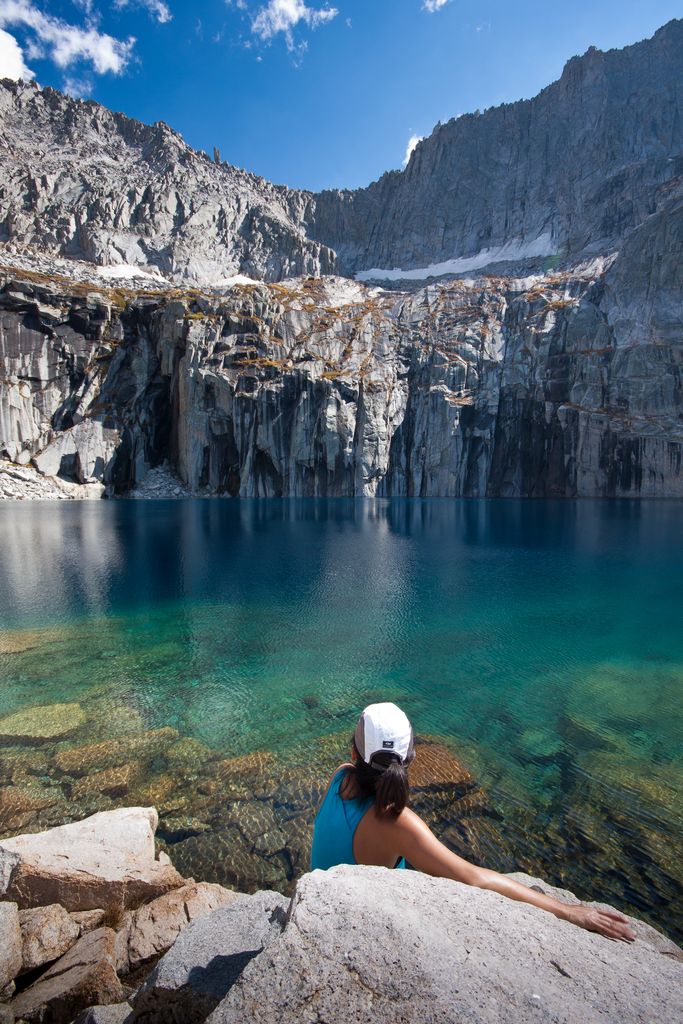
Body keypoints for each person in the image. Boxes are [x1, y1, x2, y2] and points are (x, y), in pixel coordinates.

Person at [310, 702, 635, 941]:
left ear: (353, 755)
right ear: (411, 758)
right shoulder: (399, 824)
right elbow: (475, 879)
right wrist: (567, 911)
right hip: (360, 926)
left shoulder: (341, 777)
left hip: (317, 909)